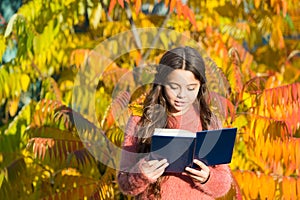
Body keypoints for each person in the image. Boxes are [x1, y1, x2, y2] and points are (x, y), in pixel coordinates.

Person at [117, 46, 241, 199]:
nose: (182, 95)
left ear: (200, 86)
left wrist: (208, 177)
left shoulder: (209, 121)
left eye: (191, 88)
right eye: (174, 87)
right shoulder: (140, 121)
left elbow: (224, 183)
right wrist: (142, 174)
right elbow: (123, 182)